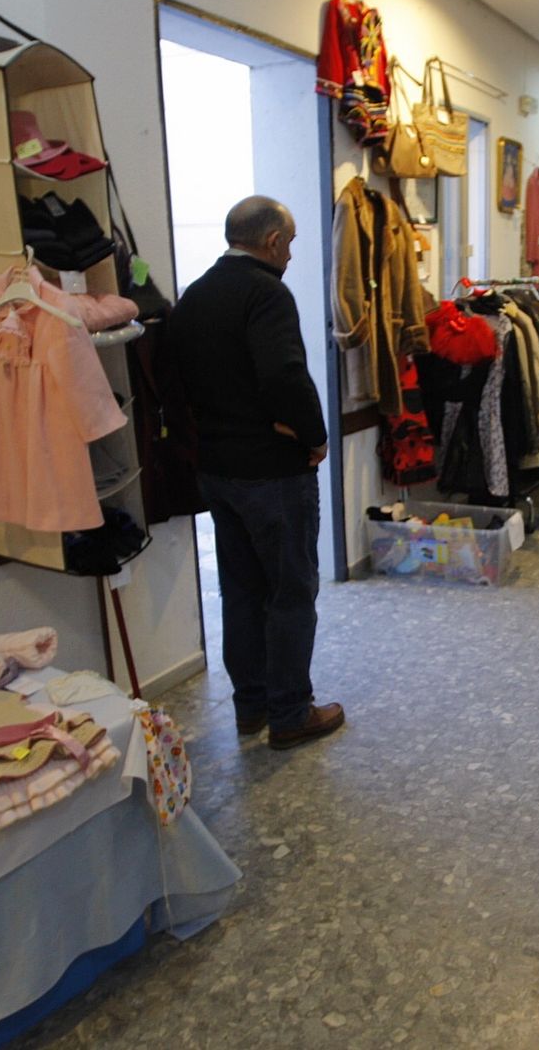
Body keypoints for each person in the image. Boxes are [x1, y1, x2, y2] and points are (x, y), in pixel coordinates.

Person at [170, 196, 345, 750]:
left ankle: (251, 708)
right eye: (290, 244)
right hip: (272, 472)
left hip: (218, 471)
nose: (291, 256)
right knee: (291, 591)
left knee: (241, 589)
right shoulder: (267, 293)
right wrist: (315, 437)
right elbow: (285, 375)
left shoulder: (193, 297)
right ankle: (291, 712)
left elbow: (179, 384)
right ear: (272, 241)